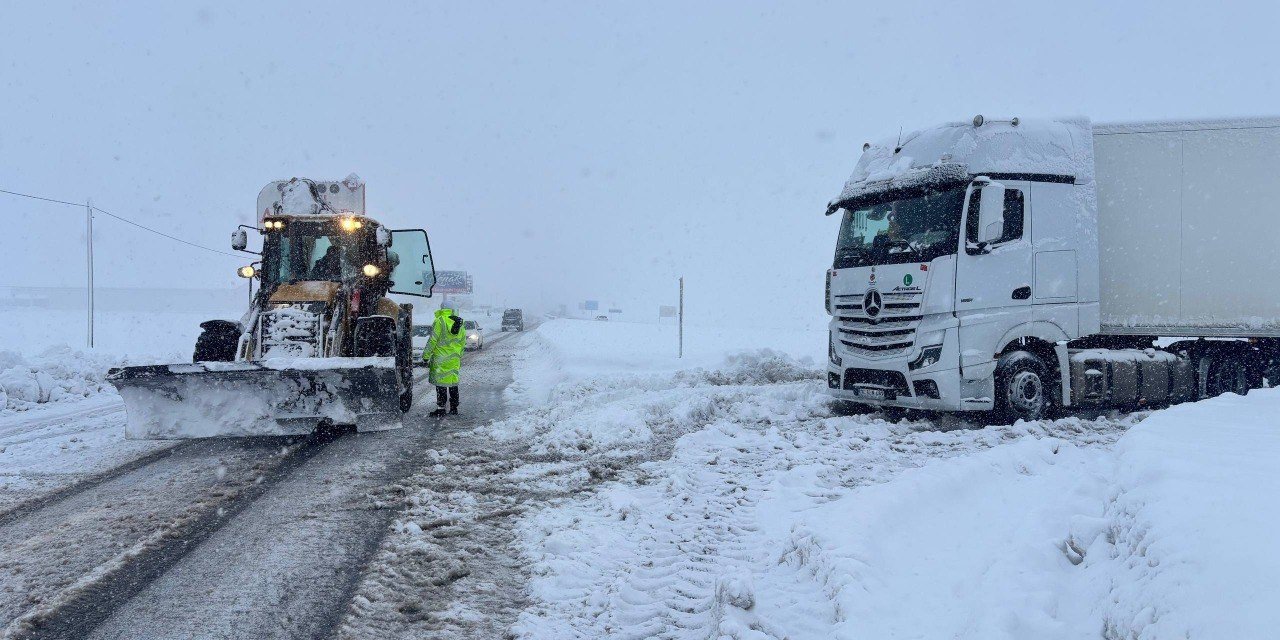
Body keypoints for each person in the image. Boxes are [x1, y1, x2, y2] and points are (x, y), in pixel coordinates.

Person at [424, 305, 465, 416]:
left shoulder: (440, 320)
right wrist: (459, 355)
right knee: (453, 384)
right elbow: (462, 342)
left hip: (440, 359)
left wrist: (426, 355)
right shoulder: (460, 323)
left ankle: (441, 408)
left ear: (442, 308)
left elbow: (433, 340)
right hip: (454, 359)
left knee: (440, 384)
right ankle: (454, 408)